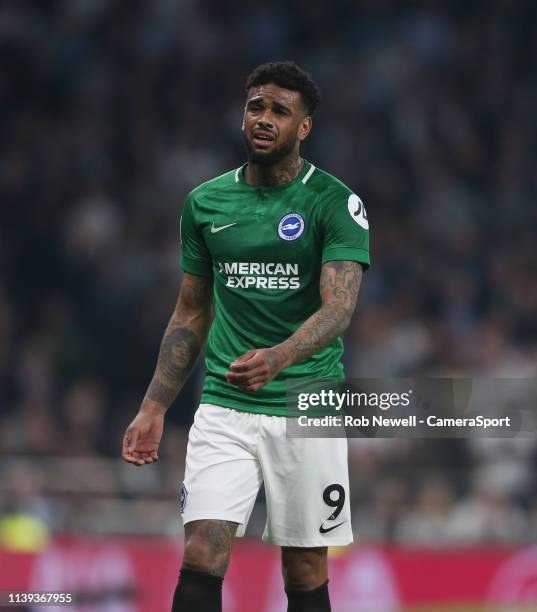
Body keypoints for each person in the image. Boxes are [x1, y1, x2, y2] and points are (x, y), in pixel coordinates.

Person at [122, 61, 370, 612]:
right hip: (225, 404)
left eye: (280, 110)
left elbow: (340, 308)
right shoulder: (206, 203)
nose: (264, 118)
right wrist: (154, 406)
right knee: (202, 550)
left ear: (303, 127)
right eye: (256, 106)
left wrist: (279, 357)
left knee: (305, 566)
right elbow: (190, 313)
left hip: (309, 404)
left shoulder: (335, 203)